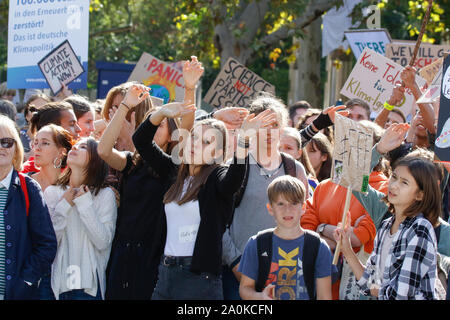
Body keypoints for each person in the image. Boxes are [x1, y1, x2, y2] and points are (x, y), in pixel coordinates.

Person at [133, 99, 277, 300]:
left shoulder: (216, 177)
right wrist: (160, 114)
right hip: (165, 274)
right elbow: (140, 141)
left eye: (206, 142)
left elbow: (232, 182)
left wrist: (243, 141)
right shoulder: (173, 171)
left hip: (199, 280)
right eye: (194, 137)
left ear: (218, 153)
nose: (195, 144)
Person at [101, 57, 204, 300]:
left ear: (171, 134)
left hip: (153, 254)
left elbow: (186, 125)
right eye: (151, 123)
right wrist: (126, 106)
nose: (153, 126)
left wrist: (189, 88)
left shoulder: (174, 167)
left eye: (159, 124)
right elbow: (104, 151)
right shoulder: (131, 161)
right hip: (122, 250)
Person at [335, 123, 441, 299]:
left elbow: (400, 295)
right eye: (394, 177)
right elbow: (372, 284)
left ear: (421, 194)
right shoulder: (386, 225)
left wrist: (376, 289)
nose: (394, 185)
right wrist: (347, 250)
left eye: (405, 182)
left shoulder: (419, 229)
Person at [221, 93, 309, 300]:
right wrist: (235, 263)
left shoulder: (294, 169)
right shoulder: (235, 167)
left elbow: (302, 219)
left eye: (275, 125)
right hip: (237, 273)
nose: (269, 133)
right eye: (263, 125)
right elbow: (218, 221)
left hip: (282, 272)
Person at [42, 138, 117, 300]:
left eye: (83, 147)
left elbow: (103, 241)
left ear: (96, 160)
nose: (75, 147)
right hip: (56, 285)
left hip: (89, 288)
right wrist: (63, 206)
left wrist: (84, 203)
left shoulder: (105, 195)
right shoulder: (52, 192)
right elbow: (48, 241)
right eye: (75, 146)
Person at [238, 175, 334, 300]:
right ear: (270, 208)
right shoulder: (257, 243)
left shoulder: (318, 246)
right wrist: (260, 296)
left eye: (293, 203)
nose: (287, 210)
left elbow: (324, 296)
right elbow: (245, 288)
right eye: (281, 204)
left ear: (303, 207)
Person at [0, 115, 57, 300]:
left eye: (7, 142)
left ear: (16, 149)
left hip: (16, 294)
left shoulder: (28, 188)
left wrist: (26, 280)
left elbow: (46, 245)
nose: (1, 147)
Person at [22, 102, 81, 175]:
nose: (79, 129)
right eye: (72, 124)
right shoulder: (25, 175)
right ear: (53, 128)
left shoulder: (82, 166)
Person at [29, 124, 73, 191]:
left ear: (61, 152)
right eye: (36, 142)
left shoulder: (71, 187)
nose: (37, 148)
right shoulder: (22, 182)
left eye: (45, 143)